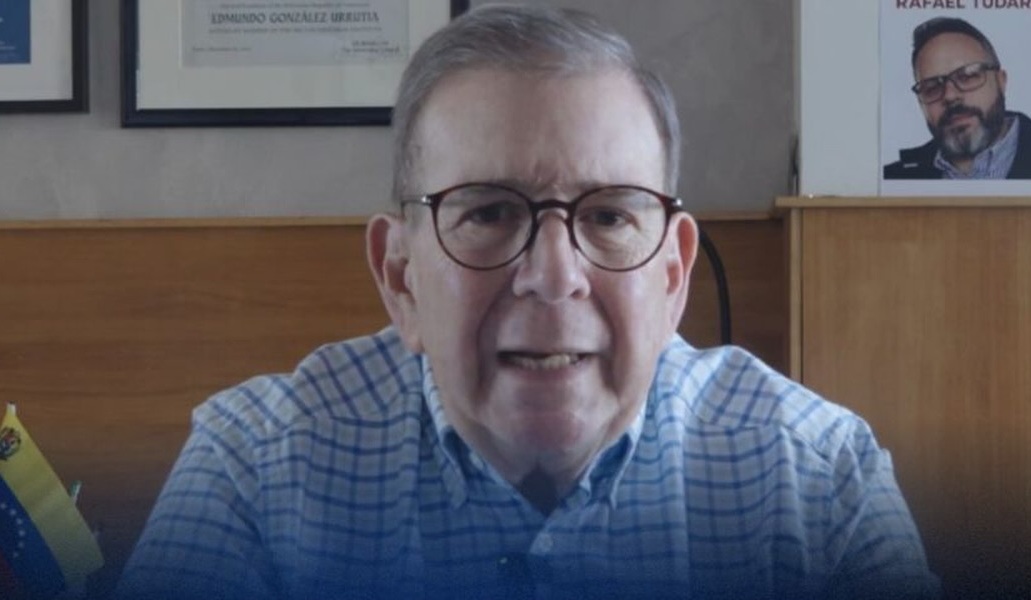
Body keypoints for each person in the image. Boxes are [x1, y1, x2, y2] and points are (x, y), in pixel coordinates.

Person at [119, 4, 939, 599]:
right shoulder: (255, 468)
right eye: (487, 212)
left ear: (671, 274)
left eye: (609, 216)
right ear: (400, 278)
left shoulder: (818, 478)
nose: (552, 276)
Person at [884, 16, 1031, 180]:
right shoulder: (891, 178)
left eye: (967, 76)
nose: (950, 96)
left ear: (1001, 81)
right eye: (932, 88)